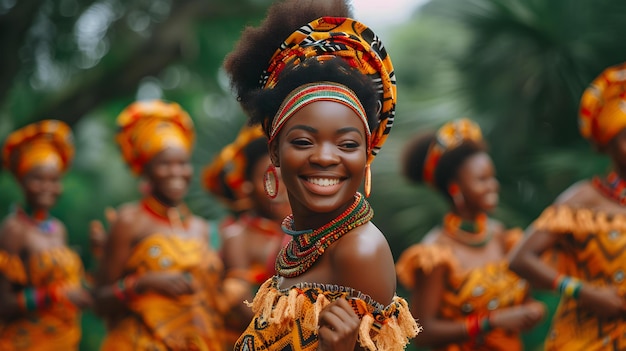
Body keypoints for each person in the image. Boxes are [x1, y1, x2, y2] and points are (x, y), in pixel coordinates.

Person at [223, 0, 421, 349]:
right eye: (303, 141)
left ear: (367, 155)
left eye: (346, 144)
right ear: (274, 151)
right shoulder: (308, 241)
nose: (326, 157)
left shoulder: (360, 251)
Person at [395, 118, 546, 350]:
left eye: (492, 177)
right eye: (482, 179)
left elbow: (520, 302)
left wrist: (531, 309)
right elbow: (422, 331)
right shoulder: (435, 254)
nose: (493, 186)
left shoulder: (501, 236)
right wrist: (489, 323)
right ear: (455, 188)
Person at [509, 62, 626, 350]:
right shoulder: (584, 199)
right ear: (607, 145)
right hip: (586, 340)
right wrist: (582, 291)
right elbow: (520, 258)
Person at [94, 100, 227, 350]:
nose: (177, 172)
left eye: (183, 163)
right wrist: (143, 283)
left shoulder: (201, 228)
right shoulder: (129, 221)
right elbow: (100, 301)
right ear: (147, 170)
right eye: (165, 164)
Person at [0, 120, 92, 350]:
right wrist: (54, 295)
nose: (46, 187)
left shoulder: (59, 229)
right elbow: (4, 303)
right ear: (22, 181)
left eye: (54, 180)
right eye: (37, 179)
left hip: (65, 340)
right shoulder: (14, 229)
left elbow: (68, 284)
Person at [203, 123, 291, 347]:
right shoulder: (237, 236)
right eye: (269, 180)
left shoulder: (305, 231)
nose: (280, 189)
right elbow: (239, 302)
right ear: (248, 187)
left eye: (286, 178)